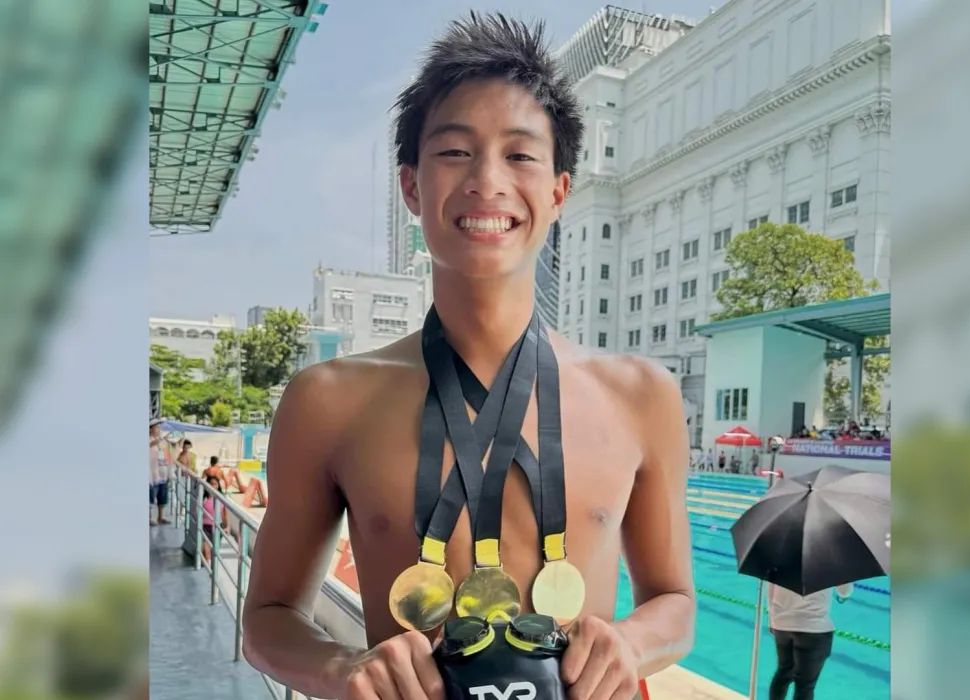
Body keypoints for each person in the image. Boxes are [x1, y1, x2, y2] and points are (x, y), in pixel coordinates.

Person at [241, 13, 695, 700]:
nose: (488, 180)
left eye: (520, 155)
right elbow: (268, 621)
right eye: (455, 152)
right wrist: (345, 669)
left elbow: (677, 603)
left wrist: (629, 642)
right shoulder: (328, 400)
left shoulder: (641, 396)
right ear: (412, 186)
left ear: (558, 192)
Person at [767, 582, 853, 700]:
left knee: (784, 671)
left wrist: (772, 619)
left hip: (782, 624)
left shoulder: (779, 562)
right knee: (805, 685)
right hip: (814, 628)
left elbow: (771, 587)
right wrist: (843, 596)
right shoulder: (828, 562)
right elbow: (845, 590)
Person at [149, 419, 171, 525]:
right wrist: (155, 442)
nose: (158, 430)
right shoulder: (149, 440)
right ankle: (150, 517)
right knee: (151, 495)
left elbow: (167, 455)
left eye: (159, 427)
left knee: (162, 496)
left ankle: (161, 516)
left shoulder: (162, 442)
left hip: (163, 472)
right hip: (152, 474)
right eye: (156, 427)